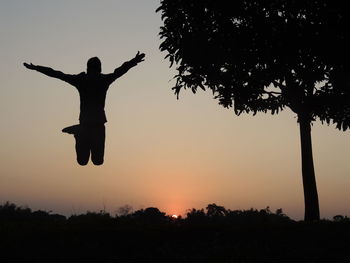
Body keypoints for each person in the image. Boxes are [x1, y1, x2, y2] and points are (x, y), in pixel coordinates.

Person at [23, 52, 145, 165]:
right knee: (94, 161)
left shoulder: (84, 79)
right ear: (99, 69)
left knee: (86, 161)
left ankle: (78, 135)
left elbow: (58, 74)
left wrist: (37, 68)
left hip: (89, 124)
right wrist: (134, 61)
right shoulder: (100, 80)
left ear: (88, 69)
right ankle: (78, 134)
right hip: (95, 125)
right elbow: (120, 71)